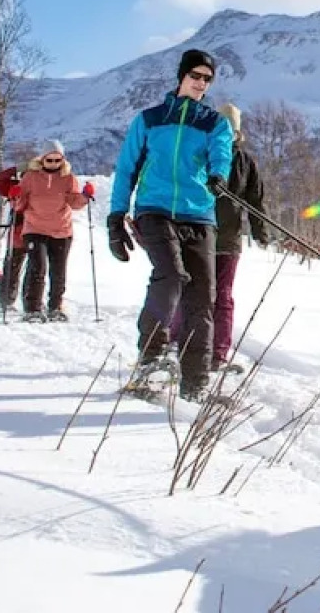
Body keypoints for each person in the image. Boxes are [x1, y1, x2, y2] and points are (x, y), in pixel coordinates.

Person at [107, 48, 234, 401]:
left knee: (202, 298)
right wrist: (116, 218)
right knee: (172, 275)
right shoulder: (149, 119)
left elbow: (221, 153)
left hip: (199, 213)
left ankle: (195, 383)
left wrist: (218, 175)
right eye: (195, 75)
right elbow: (126, 168)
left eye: (207, 79)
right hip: (155, 208)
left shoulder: (214, 122)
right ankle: (151, 356)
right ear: (181, 76)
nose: (201, 83)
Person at [170, 102, 267, 373]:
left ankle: (219, 353)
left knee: (222, 297)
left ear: (237, 133)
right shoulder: (197, 155)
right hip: (196, 235)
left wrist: (260, 230)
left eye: (231, 131)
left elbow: (255, 199)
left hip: (227, 239)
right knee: (192, 292)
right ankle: (177, 342)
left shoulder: (246, 162)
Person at [13, 140, 91, 322]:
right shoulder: (31, 177)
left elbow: (74, 202)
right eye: (50, 160)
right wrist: (15, 195)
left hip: (61, 230)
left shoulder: (68, 178)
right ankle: (32, 308)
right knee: (37, 267)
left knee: (58, 271)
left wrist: (85, 197)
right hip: (35, 228)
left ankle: (55, 307)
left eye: (58, 160)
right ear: (42, 159)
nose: (54, 164)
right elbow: (20, 204)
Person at [0, 164, 28, 312]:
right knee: (17, 268)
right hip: (21, 232)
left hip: (27, 232)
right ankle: (8, 301)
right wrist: (15, 170)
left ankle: (13, 301)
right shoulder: (15, 186)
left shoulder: (16, 186)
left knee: (23, 268)